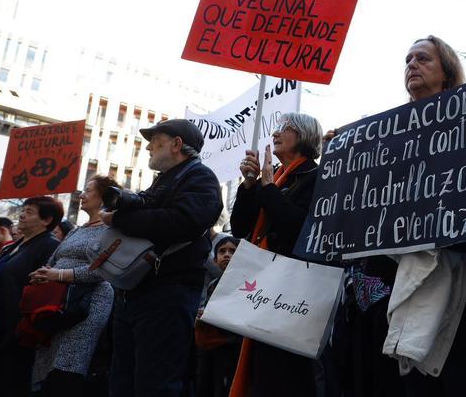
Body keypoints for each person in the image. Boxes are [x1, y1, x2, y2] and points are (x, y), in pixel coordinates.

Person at [378, 36, 466, 397]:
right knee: (420, 371)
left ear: (446, 72)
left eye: (423, 58)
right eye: (408, 59)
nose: (412, 64)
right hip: (416, 260)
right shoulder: (390, 134)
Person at [101, 118, 223, 397]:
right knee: (123, 381)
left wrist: (121, 219)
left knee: (156, 384)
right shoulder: (163, 182)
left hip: (169, 292)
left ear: (177, 144)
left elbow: (183, 222)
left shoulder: (200, 177)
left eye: (155, 141)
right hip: (135, 290)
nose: (148, 149)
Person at [229, 111, 323, 397]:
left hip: (292, 292)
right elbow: (240, 228)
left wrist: (268, 188)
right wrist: (249, 185)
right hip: (263, 285)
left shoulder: (315, 177)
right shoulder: (276, 177)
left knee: (282, 375)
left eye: (285, 127)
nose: (275, 132)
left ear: (304, 136)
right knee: (262, 372)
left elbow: (299, 227)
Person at [29, 176, 118, 395]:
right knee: (46, 368)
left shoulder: (112, 229)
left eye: (88, 190)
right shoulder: (77, 230)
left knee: (68, 367)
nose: (82, 195)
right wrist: (42, 274)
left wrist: (59, 275)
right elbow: (55, 258)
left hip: (86, 305)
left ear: (104, 197)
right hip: (57, 302)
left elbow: (102, 269)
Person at [0, 197, 62, 397]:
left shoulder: (48, 246)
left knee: (6, 382)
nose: (22, 215)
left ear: (47, 220)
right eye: (23, 210)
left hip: (15, 331)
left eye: (30, 212)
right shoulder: (18, 244)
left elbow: (41, 289)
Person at [195, 236, 241, 397]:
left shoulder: (245, 285)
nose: (227, 255)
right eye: (222, 251)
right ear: (215, 260)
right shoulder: (213, 284)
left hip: (232, 346)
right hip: (212, 346)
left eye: (232, 251)